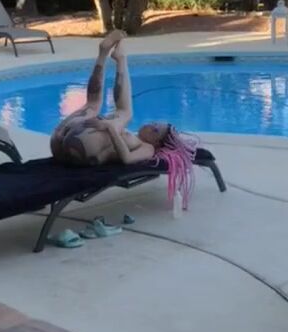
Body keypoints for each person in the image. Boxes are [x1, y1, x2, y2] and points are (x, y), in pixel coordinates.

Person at [50, 32, 197, 208]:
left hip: (74, 145)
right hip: (66, 146)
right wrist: (110, 126)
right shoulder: (135, 138)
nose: (150, 125)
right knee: (98, 106)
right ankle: (110, 55)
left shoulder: (149, 149)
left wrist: (110, 128)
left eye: (155, 129)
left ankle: (113, 57)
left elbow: (127, 159)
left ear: (158, 142)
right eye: (154, 123)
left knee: (110, 109)